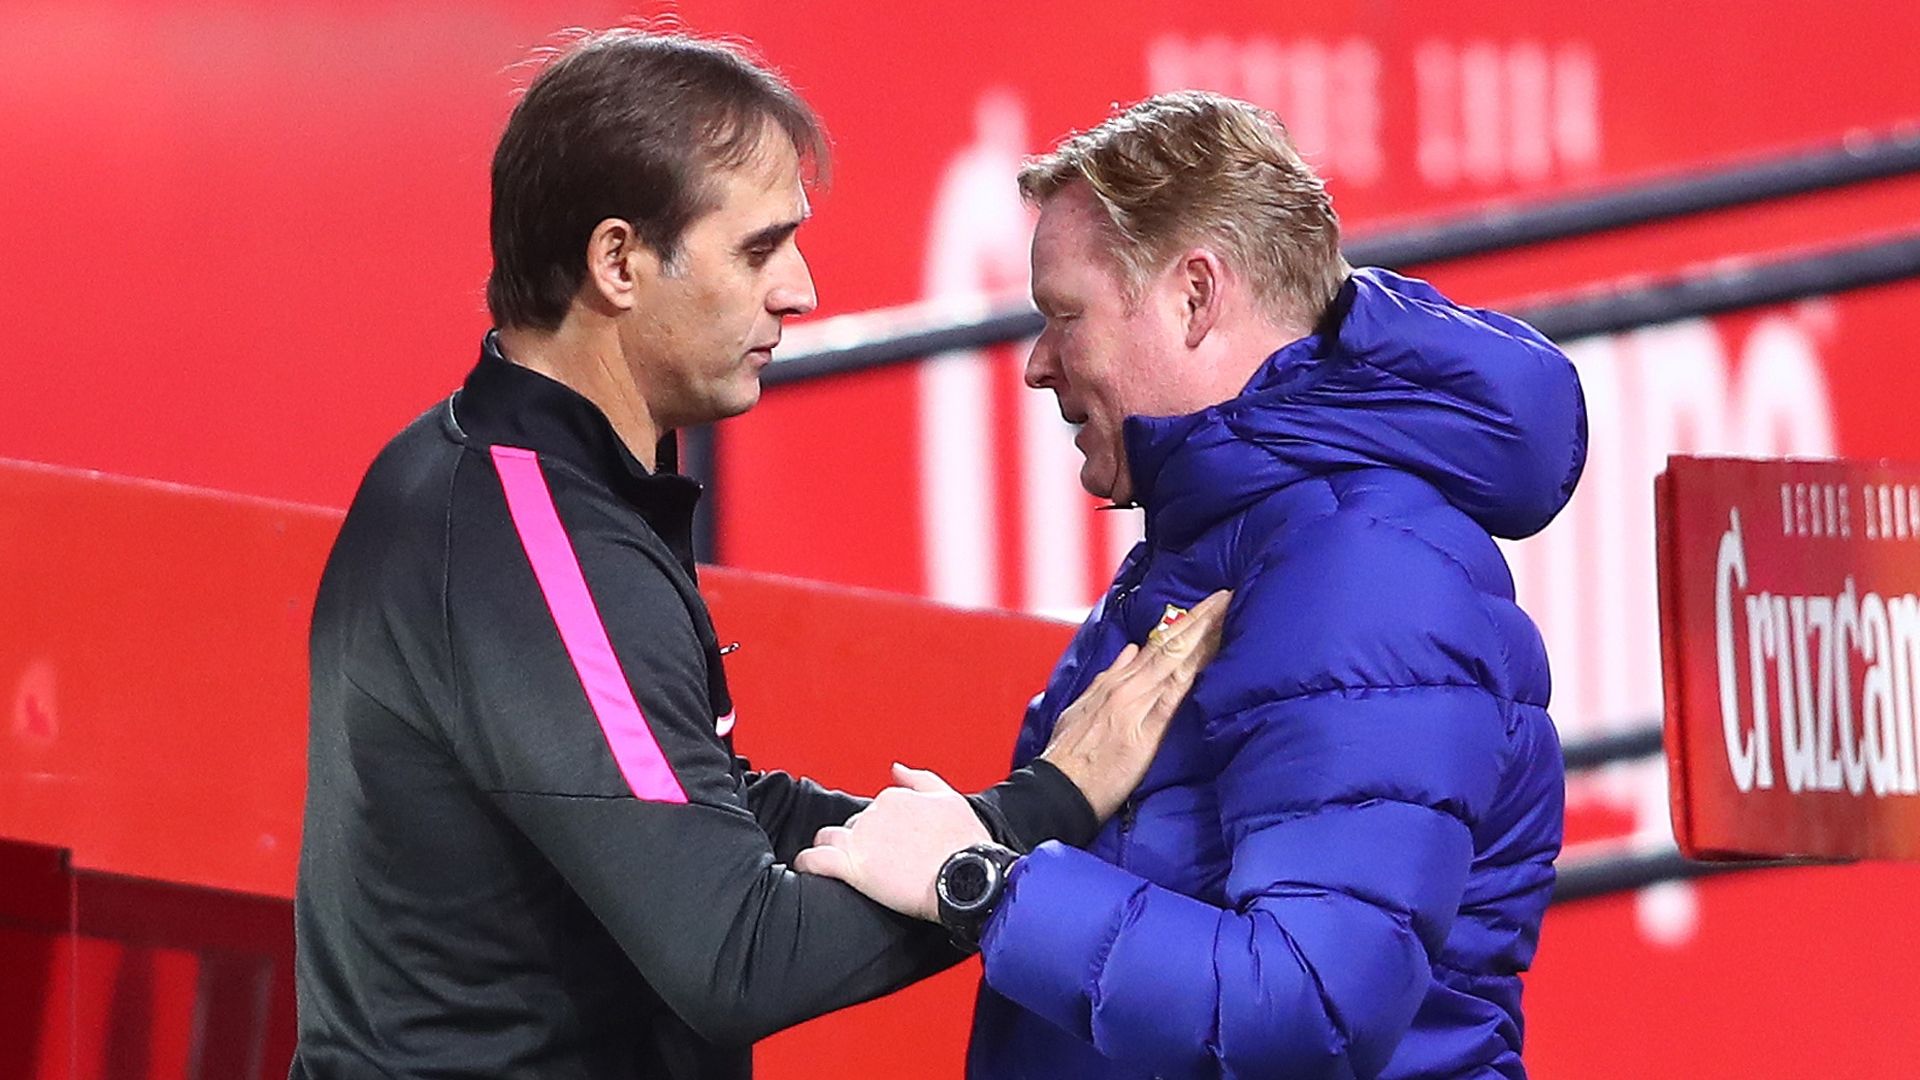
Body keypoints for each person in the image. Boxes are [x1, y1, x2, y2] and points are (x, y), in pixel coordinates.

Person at [289, 30, 1228, 1080]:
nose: (801, 290)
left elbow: (713, 811)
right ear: (618, 263)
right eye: (756, 250)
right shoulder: (530, 539)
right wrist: (1031, 821)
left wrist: (973, 829)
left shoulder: (537, 484)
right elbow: (734, 955)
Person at [798, 91, 1588, 1078]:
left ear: (1195, 295)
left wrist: (973, 882)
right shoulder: (1230, 548)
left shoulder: (1364, 568)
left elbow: (1309, 1007)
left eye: (1063, 316)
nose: (1039, 365)